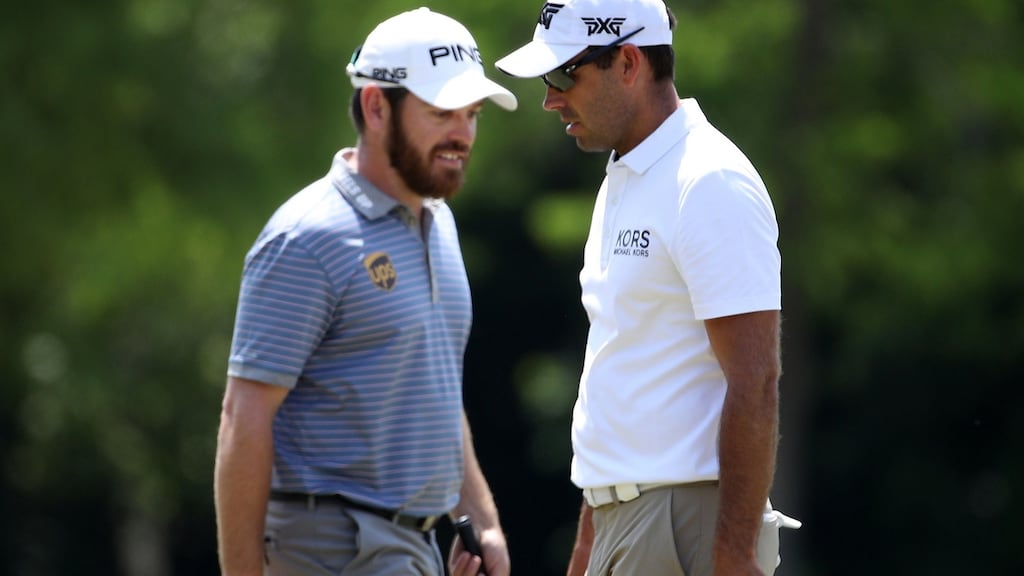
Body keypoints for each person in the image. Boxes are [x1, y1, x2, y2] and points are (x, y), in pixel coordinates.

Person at [495, 0, 800, 574]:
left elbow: (755, 380)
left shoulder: (708, 179)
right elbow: (622, 373)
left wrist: (732, 555)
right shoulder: (629, 176)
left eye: (564, 75)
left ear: (629, 62)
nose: (550, 98)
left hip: (685, 522)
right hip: (625, 517)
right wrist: (589, 544)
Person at [214, 7, 517, 576]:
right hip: (332, 546)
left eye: (472, 114)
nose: (463, 134)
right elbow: (243, 418)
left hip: (417, 545)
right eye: (442, 113)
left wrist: (482, 520)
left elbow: (435, 390)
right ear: (377, 105)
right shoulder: (307, 237)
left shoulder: (441, 223)